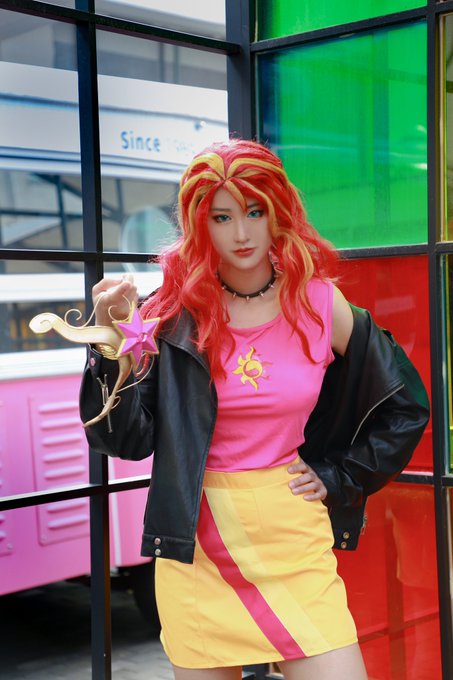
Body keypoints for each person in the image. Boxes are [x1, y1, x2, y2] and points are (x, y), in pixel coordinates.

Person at [80, 139, 430, 680]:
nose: (241, 233)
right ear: (200, 224)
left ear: (278, 212)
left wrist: (340, 475)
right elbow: (125, 441)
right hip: (197, 544)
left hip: (292, 539)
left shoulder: (319, 303)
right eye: (221, 217)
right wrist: (109, 346)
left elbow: (404, 406)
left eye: (254, 211)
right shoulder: (171, 313)